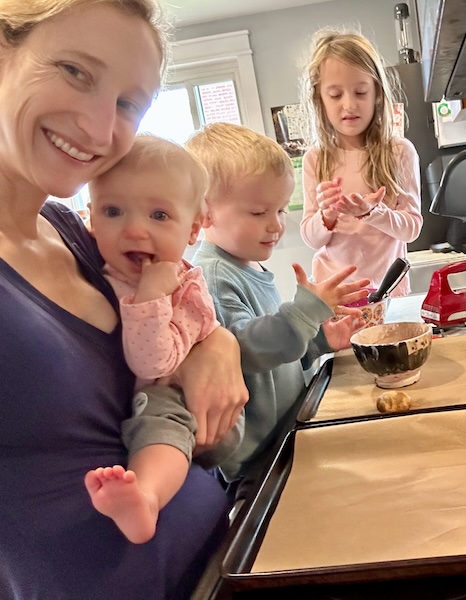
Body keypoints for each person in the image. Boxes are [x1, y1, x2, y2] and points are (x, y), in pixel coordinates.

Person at [0, 2, 248, 599]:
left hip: (221, 563)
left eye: (129, 103)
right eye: (75, 71)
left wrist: (219, 343)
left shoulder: (71, 231)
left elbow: (165, 316)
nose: (99, 127)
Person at [186, 122, 368, 494]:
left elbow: (275, 362)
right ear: (204, 214)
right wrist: (302, 314)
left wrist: (317, 341)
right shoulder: (213, 277)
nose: (275, 225)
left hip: (285, 434)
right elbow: (247, 353)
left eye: (282, 210)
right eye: (257, 213)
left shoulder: (250, 265)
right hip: (257, 463)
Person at [85, 134, 244, 544]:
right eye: (113, 211)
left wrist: (152, 296)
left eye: (158, 216)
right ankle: (145, 496)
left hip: (178, 399)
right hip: (166, 400)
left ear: (192, 230)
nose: (135, 230)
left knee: (160, 419)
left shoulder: (178, 284)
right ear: (90, 219)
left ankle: (147, 497)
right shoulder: (93, 265)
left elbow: (152, 363)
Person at [299, 29, 423, 297]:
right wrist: (327, 216)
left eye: (360, 91)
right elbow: (311, 238)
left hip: (388, 292)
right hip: (334, 295)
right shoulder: (315, 159)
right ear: (319, 100)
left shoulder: (399, 151)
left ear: (377, 93)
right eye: (335, 95)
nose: (349, 104)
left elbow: (412, 228)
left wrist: (371, 213)